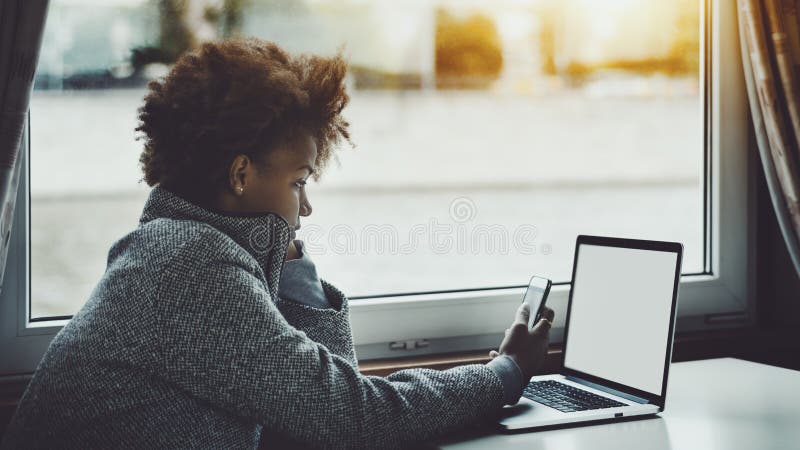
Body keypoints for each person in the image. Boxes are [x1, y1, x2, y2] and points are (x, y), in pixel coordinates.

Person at [1, 38, 554, 449]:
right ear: (241, 174)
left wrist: (296, 274)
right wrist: (503, 374)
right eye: (298, 181)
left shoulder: (173, 250)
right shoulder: (188, 266)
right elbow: (351, 418)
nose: (306, 207)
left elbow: (324, 415)